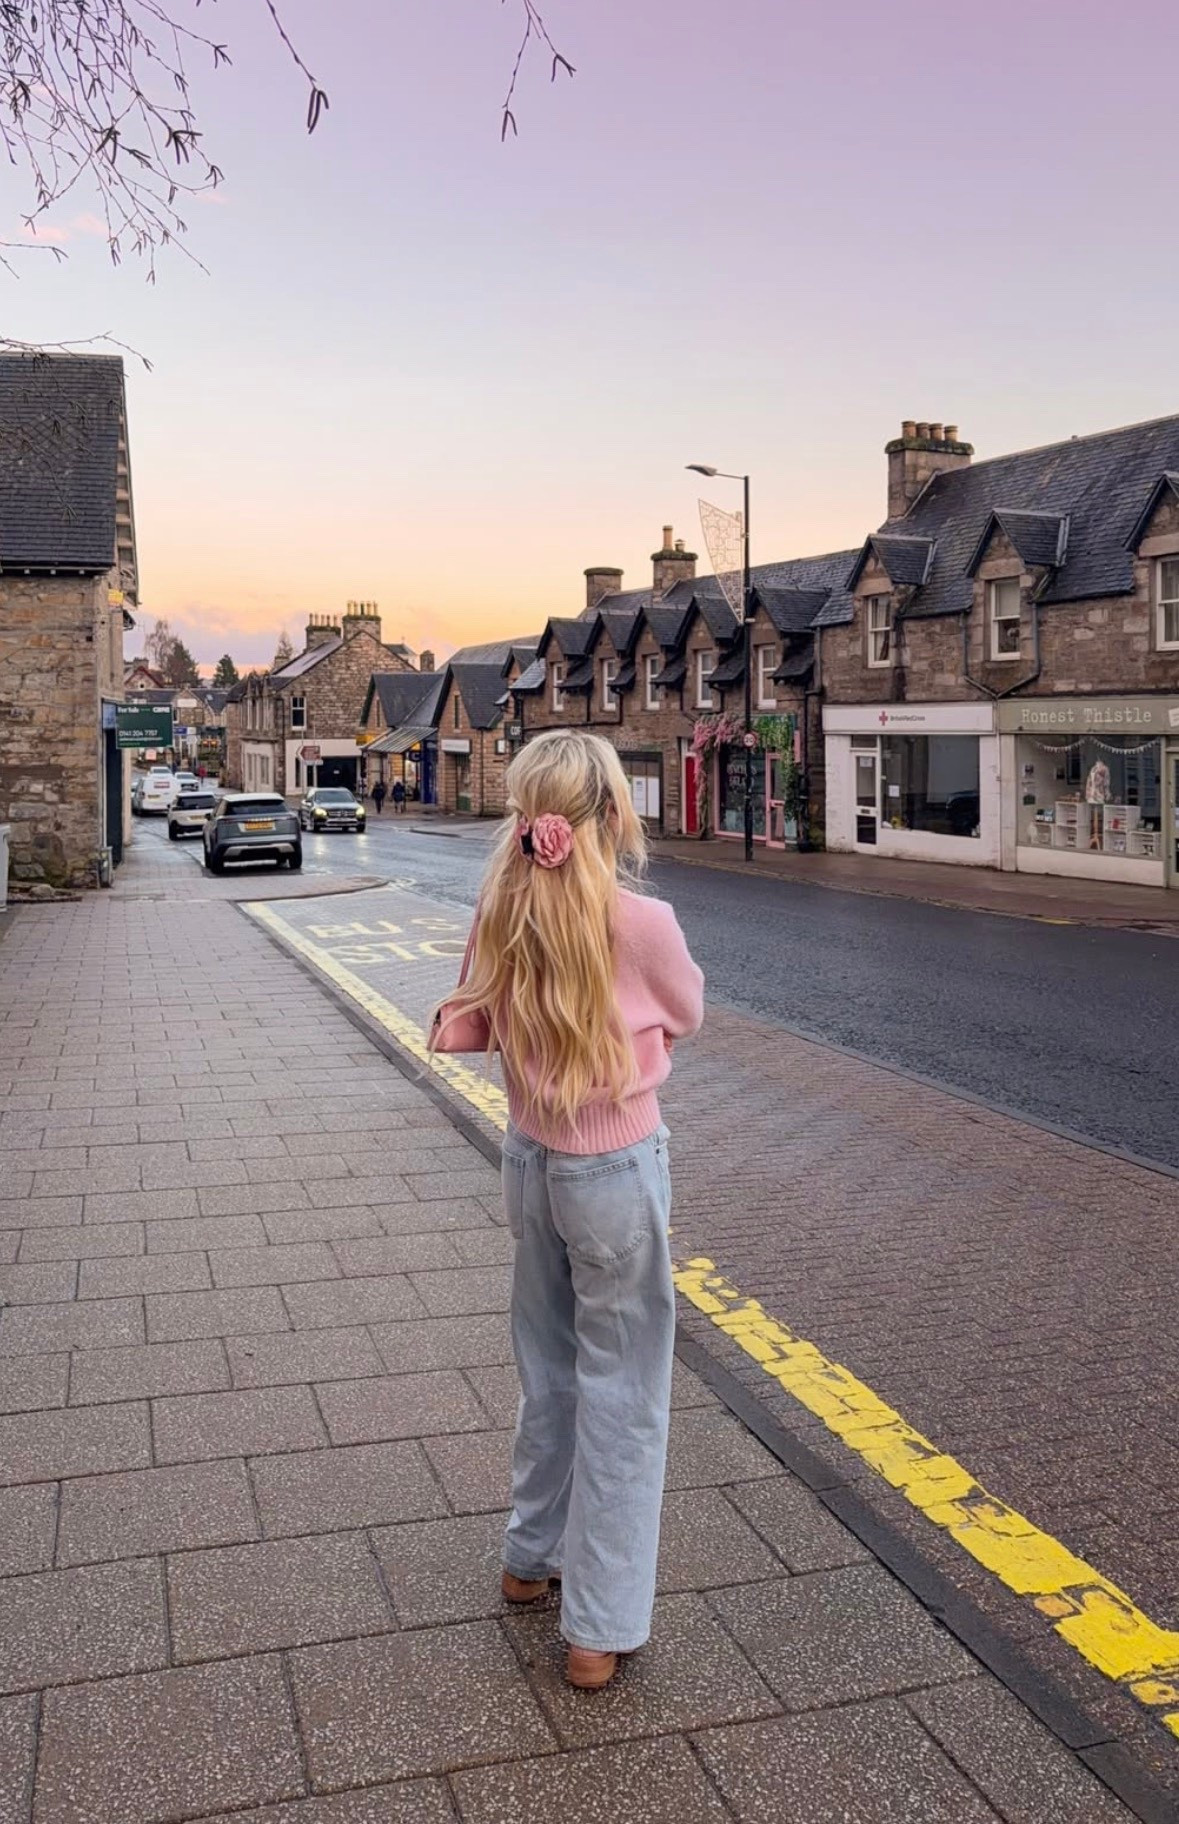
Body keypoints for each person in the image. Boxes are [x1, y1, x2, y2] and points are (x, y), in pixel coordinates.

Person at [432, 730, 704, 1691]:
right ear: (611, 816)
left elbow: (478, 1012)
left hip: (528, 1157)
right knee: (623, 1390)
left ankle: (527, 1559)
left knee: (547, 1370)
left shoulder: (500, 909)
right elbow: (685, 1013)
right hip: (614, 1168)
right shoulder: (643, 922)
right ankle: (597, 1628)